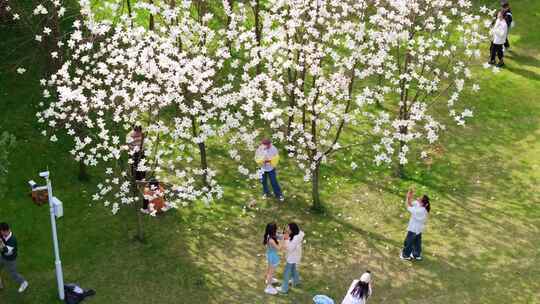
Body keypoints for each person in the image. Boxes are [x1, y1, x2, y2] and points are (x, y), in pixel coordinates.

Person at [400, 188, 431, 261]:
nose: (419, 197)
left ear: (422, 203)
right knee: (417, 242)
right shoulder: (419, 205)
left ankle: (405, 255)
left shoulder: (421, 211)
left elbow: (408, 206)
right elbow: (410, 203)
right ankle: (416, 255)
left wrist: (407, 197)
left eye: (420, 198)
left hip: (414, 228)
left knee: (408, 242)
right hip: (418, 229)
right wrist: (409, 196)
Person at [0, 223, 29, 293]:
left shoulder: (12, 240)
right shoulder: (2, 234)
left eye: (2, 232)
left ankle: (24, 283)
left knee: (13, 274)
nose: (1, 233)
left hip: (10, 260)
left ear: (6, 231)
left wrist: (1, 244)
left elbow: (7, 251)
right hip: (2, 256)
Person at [277, 223, 304, 294]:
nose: (286, 229)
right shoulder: (296, 234)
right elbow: (287, 238)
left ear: (292, 230)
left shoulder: (295, 239)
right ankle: (296, 281)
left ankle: (284, 289)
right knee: (294, 269)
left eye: (288, 229)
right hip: (296, 257)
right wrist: (284, 237)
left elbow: (290, 248)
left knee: (286, 273)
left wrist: (285, 240)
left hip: (292, 258)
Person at [263, 223, 280, 295]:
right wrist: (282, 240)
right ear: (273, 230)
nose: (277, 229)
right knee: (271, 272)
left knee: (269, 269)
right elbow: (278, 248)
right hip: (273, 256)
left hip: (269, 255)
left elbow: (277, 236)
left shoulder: (268, 236)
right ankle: (268, 287)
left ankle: (269, 280)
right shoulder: (271, 240)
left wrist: (280, 236)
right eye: (276, 229)